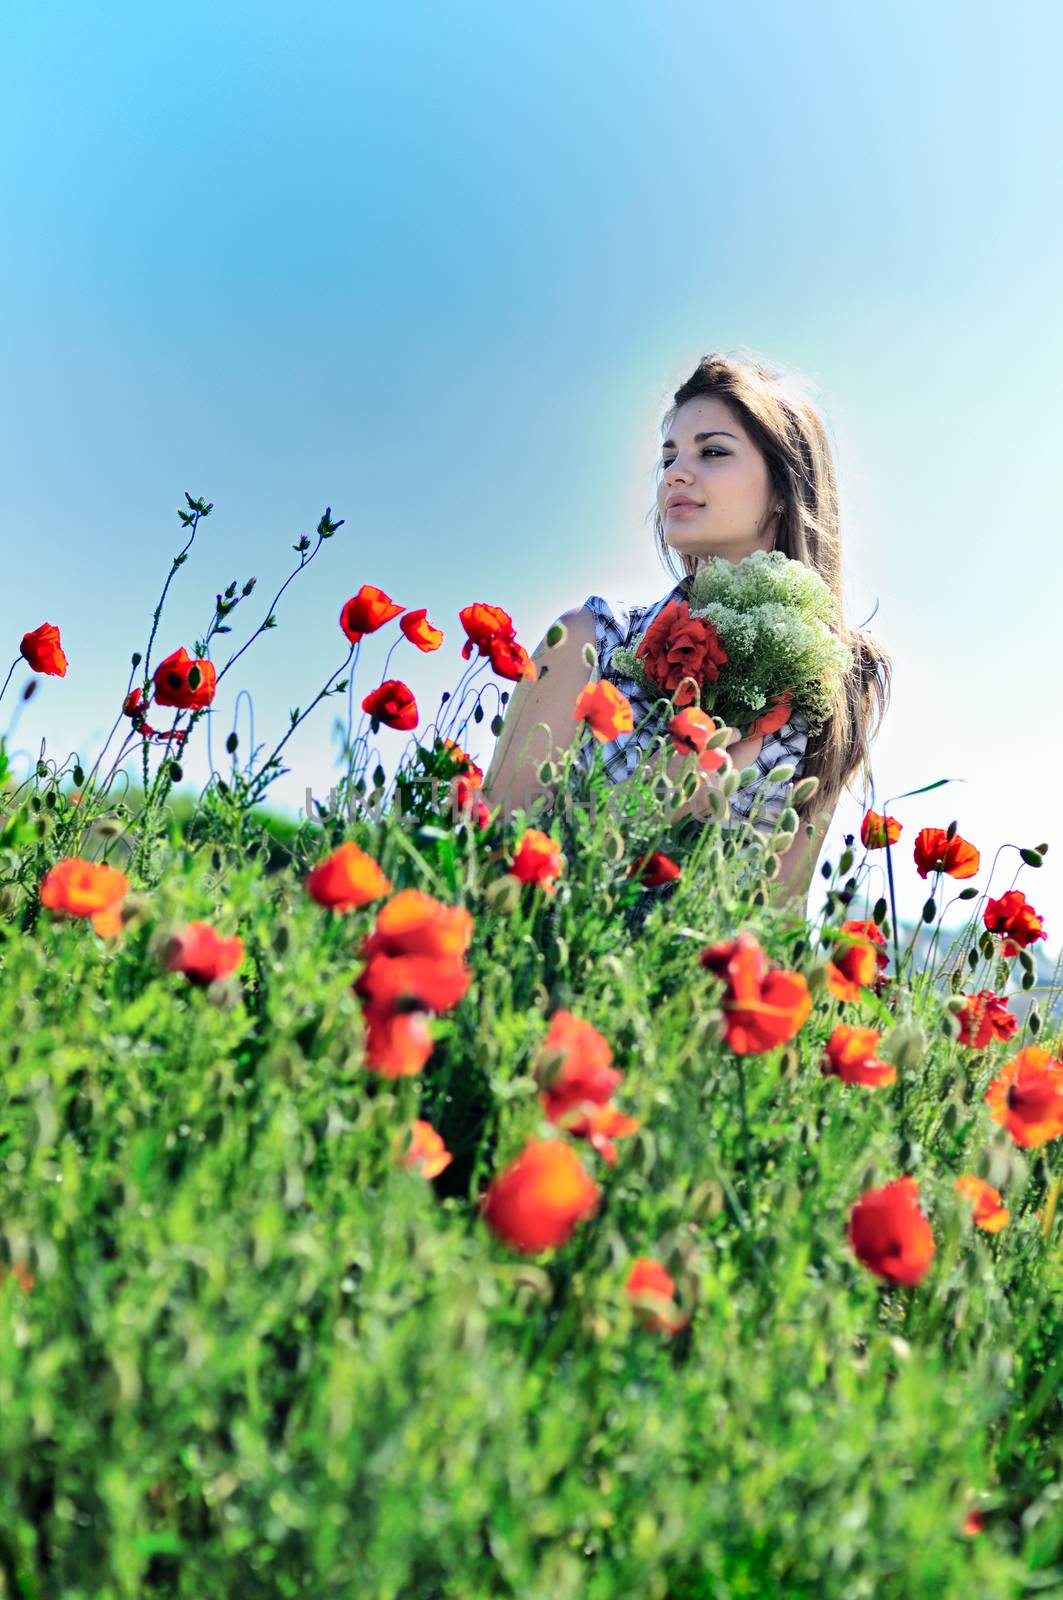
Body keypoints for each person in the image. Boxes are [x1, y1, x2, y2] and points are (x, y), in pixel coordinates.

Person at [481, 352, 892, 912]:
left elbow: (779, 914)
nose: (676, 472)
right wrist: (659, 796)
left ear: (781, 489)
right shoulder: (589, 642)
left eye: (713, 452)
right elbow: (493, 851)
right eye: (670, 455)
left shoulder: (837, 684)